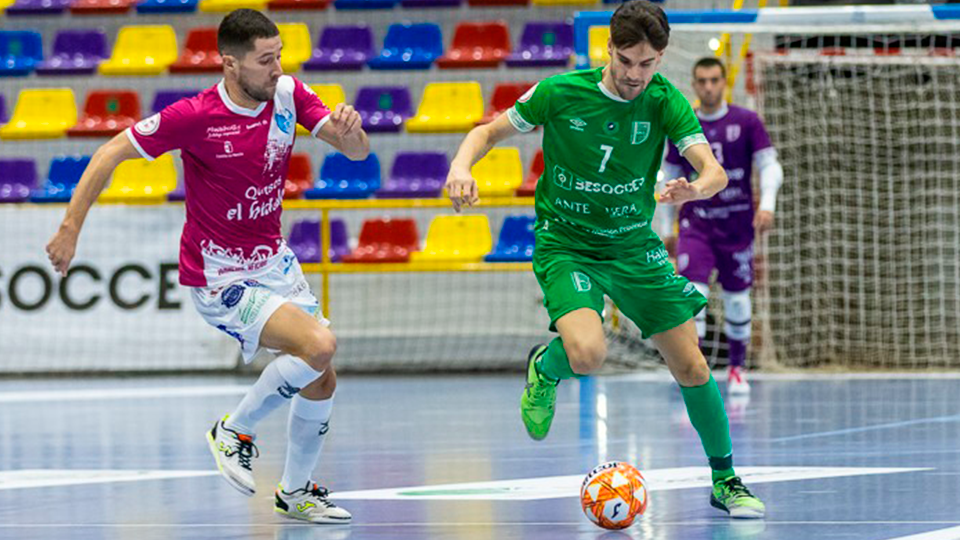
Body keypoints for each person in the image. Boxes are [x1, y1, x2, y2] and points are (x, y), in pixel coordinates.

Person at [44, 9, 368, 524]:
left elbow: (355, 152)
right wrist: (69, 229)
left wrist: (352, 132)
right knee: (320, 345)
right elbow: (109, 153)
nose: (277, 68)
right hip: (221, 276)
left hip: (274, 263)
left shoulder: (288, 96)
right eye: (266, 60)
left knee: (321, 378)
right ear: (230, 65)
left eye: (280, 55)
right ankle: (232, 429)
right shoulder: (194, 116)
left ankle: (297, 492)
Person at [444, 0, 765, 518]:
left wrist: (695, 190)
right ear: (608, 49)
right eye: (627, 61)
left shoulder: (664, 100)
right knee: (588, 355)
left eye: (648, 64)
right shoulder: (560, 92)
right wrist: (462, 165)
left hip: (632, 245)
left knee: (692, 363)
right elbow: (486, 132)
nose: (636, 75)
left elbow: (714, 172)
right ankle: (544, 368)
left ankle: (725, 480)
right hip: (567, 243)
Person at [662, 57, 783, 395]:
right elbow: (669, 179)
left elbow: (770, 166)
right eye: (702, 81)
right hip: (696, 227)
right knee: (693, 297)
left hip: (736, 225)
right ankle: (695, 375)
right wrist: (666, 227)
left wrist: (768, 206)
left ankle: (737, 369)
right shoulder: (684, 123)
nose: (709, 87)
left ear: (724, 81)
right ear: (694, 83)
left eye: (714, 80)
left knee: (738, 301)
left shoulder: (746, 121)